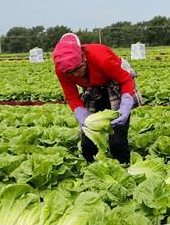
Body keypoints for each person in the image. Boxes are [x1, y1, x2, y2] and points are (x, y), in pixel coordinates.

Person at [53, 33, 142, 164]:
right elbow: (71, 96)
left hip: (116, 84)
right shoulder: (62, 69)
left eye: (78, 68)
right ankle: (92, 168)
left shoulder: (101, 57)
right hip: (93, 89)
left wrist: (126, 104)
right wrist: (80, 112)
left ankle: (124, 166)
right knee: (88, 142)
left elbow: (125, 80)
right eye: (71, 73)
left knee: (117, 140)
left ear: (83, 57)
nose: (76, 74)